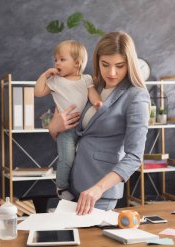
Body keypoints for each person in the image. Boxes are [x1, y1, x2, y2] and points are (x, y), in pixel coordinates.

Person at [48, 31, 150, 215]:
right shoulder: (93, 86)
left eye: (120, 66)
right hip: (73, 182)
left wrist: (98, 188)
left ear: (130, 63)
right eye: (105, 64)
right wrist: (53, 127)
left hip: (99, 191)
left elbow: (135, 156)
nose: (111, 73)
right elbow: (72, 133)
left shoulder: (136, 96)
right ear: (97, 61)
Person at [35, 40, 102, 201]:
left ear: (77, 63)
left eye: (62, 59)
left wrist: (98, 103)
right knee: (67, 158)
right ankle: (61, 186)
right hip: (65, 130)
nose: (57, 63)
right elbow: (38, 92)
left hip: (84, 128)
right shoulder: (55, 81)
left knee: (81, 159)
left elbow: (92, 93)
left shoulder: (86, 79)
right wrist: (45, 75)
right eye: (55, 60)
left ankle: (80, 186)